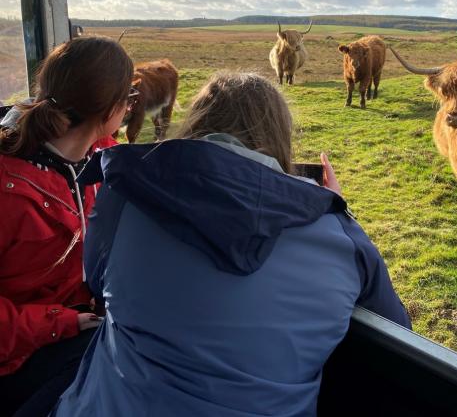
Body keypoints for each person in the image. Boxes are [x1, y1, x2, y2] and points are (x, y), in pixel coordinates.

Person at [53, 72, 411, 417]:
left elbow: (96, 280)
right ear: (279, 137)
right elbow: (399, 338)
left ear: (195, 125)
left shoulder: (126, 193)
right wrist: (333, 211)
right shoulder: (338, 233)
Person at [0, 36, 134, 417]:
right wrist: (61, 323)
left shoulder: (102, 159)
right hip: (20, 355)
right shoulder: (8, 190)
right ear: (113, 108)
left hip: (71, 324)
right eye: (129, 99)